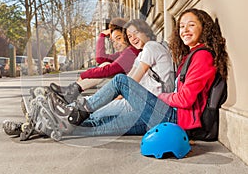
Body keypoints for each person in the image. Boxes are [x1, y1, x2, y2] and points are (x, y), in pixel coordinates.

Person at [35, 8, 229, 139]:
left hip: (174, 119)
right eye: (182, 26)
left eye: (191, 25)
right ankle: (43, 127)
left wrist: (158, 97)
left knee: (121, 81)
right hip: (166, 117)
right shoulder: (191, 55)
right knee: (98, 124)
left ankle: (75, 111)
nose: (184, 30)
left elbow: (185, 99)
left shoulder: (202, 56)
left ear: (204, 28)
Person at [49, 18, 140, 104]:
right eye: (113, 41)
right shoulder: (123, 53)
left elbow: (108, 70)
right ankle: (71, 92)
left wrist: (84, 74)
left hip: (133, 93)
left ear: (126, 36)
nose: (115, 44)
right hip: (127, 88)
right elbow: (100, 58)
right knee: (105, 63)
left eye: (119, 38)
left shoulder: (131, 52)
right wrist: (102, 35)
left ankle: (72, 92)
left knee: (106, 67)